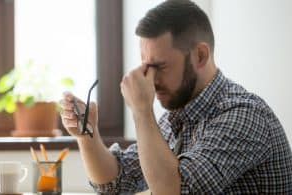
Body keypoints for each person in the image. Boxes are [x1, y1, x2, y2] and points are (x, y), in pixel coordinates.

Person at [59, 0, 292, 194]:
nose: (150, 78)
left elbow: (175, 191)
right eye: (146, 67)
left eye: (159, 66)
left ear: (200, 56)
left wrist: (141, 110)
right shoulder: (177, 117)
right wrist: (87, 134)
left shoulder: (244, 116)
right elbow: (116, 181)